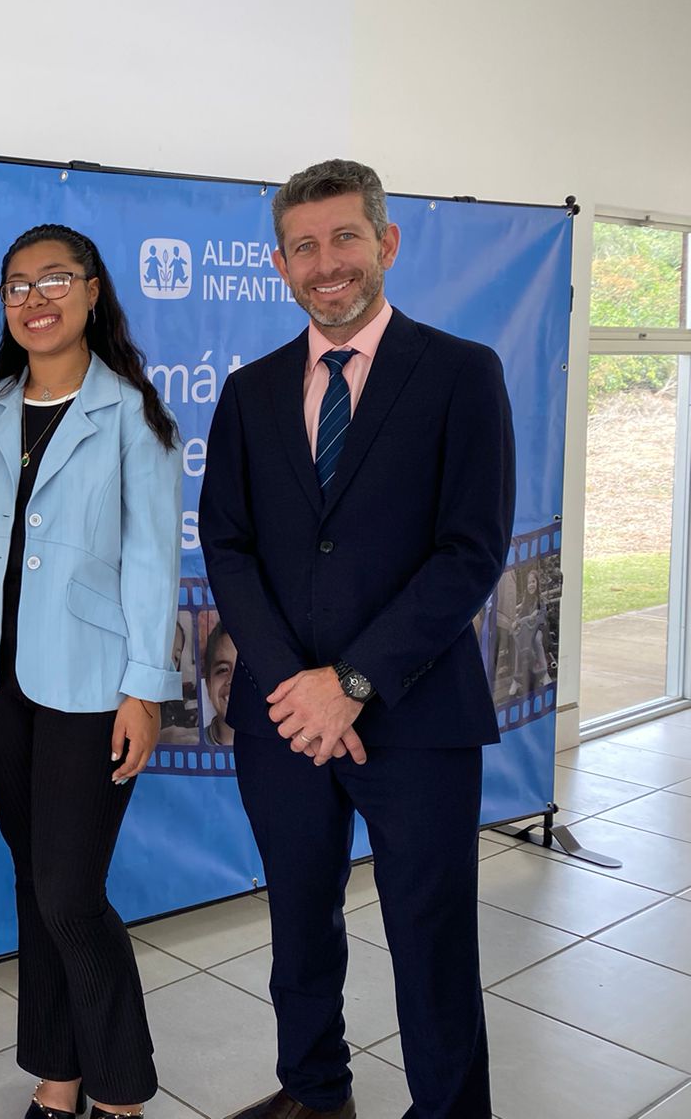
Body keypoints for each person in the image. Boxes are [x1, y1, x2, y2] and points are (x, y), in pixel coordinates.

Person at [199, 160, 515, 1119]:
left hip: (416, 715)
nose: (325, 263)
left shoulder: (461, 373)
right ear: (280, 265)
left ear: (387, 243)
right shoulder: (251, 392)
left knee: (430, 937)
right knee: (299, 920)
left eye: (344, 238)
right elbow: (228, 544)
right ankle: (313, 1091)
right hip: (284, 721)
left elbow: (470, 552)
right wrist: (295, 685)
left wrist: (352, 681)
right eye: (303, 246)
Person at [0, 224, 184, 1119]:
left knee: (69, 893)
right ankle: (58, 1075)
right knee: (33, 883)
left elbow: (154, 564)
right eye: (17, 284)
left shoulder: (134, 414)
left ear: (93, 291)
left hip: (93, 684)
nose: (36, 299)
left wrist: (144, 690)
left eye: (55, 279)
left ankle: (121, 1091)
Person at [199, 623, 237, 746]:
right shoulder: (192, 744)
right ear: (208, 685)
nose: (233, 680)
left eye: (243, 668)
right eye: (223, 670)